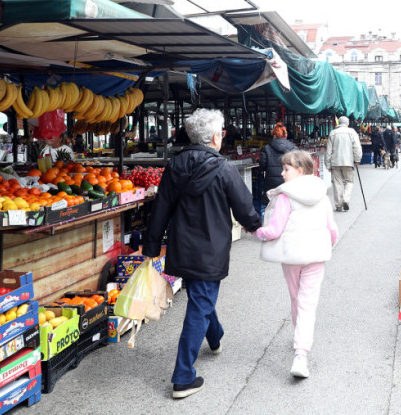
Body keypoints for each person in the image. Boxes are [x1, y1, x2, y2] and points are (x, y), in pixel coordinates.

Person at [142, 108, 261, 399]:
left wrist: (152, 246)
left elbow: (162, 207)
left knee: (201, 295)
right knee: (199, 304)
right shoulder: (223, 168)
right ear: (214, 137)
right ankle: (183, 377)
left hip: (183, 247)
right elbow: (245, 209)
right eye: (221, 132)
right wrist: (257, 226)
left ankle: (215, 337)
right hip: (211, 249)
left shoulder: (175, 165)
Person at [255, 150, 338, 379]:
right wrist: (327, 244)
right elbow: (332, 230)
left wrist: (254, 230)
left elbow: (273, 230)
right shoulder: (321, 192)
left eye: (286, 169)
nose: (282, 174)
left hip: (292, 256)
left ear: (300, 170)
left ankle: (299, 346)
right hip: (316, 255)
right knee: (308, 303)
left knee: (296, 299)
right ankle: (301, 353)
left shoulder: (285, 197)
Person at [325, 116, 362, 212]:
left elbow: (328, 150)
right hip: (348, 162)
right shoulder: (352, 132)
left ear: (338, 123)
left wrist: (328, 164)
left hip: (335, 162)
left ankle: (338, 205)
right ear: (347, 123)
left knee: (337, 183)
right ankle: (346, 199)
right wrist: (357, 159)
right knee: (349, 181)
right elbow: (357, 147)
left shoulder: (332, 133)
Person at [258, 123, 298, 205]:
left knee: (271, 204)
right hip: (289, 181)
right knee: (288, 204)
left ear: (274, 135)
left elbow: (262, 165)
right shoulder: (293, 148)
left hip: (271, 182)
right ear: (285, 135)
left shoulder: (267, 148)